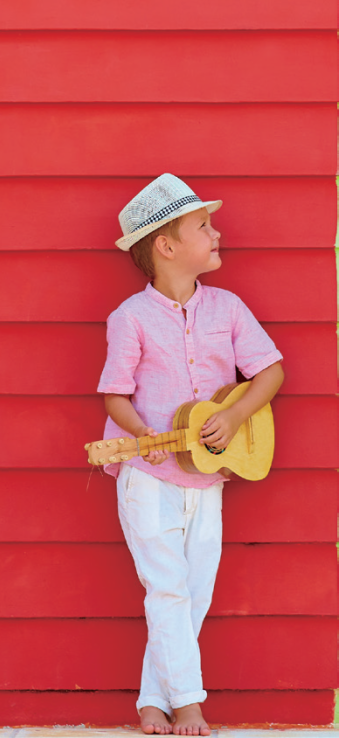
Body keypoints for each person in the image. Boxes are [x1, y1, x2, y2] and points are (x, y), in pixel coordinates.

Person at [97, 173, 284, 737]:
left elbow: (269, 371)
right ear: (167, 245)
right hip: (148, 475)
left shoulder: (227, 308)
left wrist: (233, 416)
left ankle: (152, 700)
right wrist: (143, 438)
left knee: (193, 590)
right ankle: (188, 704)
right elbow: (115, 393)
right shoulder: (130, 317)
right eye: (205, 226)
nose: (217, 232)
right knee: (168, 586)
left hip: (209, 476)